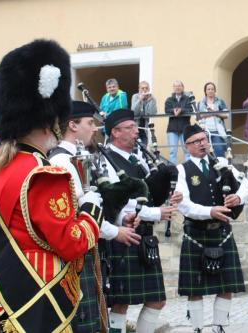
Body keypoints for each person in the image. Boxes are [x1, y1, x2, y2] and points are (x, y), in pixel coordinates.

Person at [0, 39, 104, 332]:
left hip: (6, 297)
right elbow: (71, 242)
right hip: (41, 302)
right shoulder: (44, 173)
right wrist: (90, 210)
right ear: (50, 120)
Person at [49, 101, 142, 333]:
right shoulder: (61, 161)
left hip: (90, 249)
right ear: (72, 125)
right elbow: (81, 213)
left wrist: (120, 220)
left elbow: (98, 205)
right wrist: (115, 232)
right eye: (90, 123)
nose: (94, 128)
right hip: (77, 253)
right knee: (83, 324)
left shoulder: (81, 156)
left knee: (96, 321)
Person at [103, 109, 183, 333]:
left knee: (157, 299)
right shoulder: (107, 160)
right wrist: (158, 213)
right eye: (129, 127)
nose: (136, 131)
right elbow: (121, 203)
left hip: (146, 236)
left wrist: (171, 196)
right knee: (121, 302)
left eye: (135, 126)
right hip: (123, 233)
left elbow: (149, 195)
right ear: (115, 132)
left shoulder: (139, 159)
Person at [176, 124, 248, 333]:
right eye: (196, 141)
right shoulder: (182, 170)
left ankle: (219, 326)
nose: (202, 144)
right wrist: (209, 211)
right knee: (195, 287)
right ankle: (197, 328)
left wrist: (239, 197)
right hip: (196, 233)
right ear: (187, 146)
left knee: (227, 284)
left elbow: (245, 184)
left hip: (222, 232)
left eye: (204, 139)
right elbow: (184, 205)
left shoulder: (223, 163)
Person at [197, 82, 228, 157]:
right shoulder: (200, 103)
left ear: (215, 91)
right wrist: (211, 113)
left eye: (212, 89)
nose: (210, 91)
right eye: (208, 89)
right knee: (205, 153)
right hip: (204, 131)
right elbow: (197, 117)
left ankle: (221, 168)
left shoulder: (220, 101)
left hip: (217, 131)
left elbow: (226, 115)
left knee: (219, 150)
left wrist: (213, 112)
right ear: (205, 91)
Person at [165, 80, 192, 164]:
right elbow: (166, 110)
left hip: (185, 128)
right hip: (172, 129)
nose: (177, 87)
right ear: (173, 88)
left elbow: (190, 109)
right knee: (172, 152)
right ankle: (174, 171)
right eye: (175, 86)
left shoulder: (188, 99)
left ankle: (188, 170)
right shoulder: (169, 99)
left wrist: (181, 110)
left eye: (179, 86)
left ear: (182, 87)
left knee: (187, 151)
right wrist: (174, 111)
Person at [131, 80, 157, 146]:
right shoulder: (135, 97)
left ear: (149, 89)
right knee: (135, 149)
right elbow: (133, 112)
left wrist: (151, 100)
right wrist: (140, 100)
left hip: (145, 128)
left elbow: (152, 113)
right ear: (139, 89)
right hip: (135, 127)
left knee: (144, 148)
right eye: (142, 88)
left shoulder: (152, 98)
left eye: (146, 88)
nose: (144, 90)